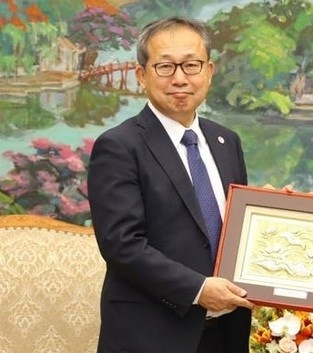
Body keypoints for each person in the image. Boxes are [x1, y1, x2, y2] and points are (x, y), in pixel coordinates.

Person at [87, 17, 254, 353]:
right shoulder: (119, 146)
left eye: (191, 65)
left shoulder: (226, 141)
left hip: (226, 330)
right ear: (141, 75)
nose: (180, 78)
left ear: (209, 70)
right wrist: (198, 288)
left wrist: (275, 218)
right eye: (165, 66)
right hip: (153, 334)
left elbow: (239, 228)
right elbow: (122, 245)